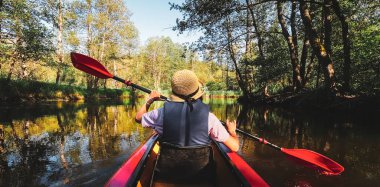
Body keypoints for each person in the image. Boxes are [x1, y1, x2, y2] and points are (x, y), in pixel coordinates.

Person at [135, 69, 239, 181]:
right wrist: (232, 131)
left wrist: (150, 100)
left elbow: (138, 118)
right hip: (202, 178)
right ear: (197, 91)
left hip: (167, 177)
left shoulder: (160, 113)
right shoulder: (210, 118)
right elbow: (235, 147)